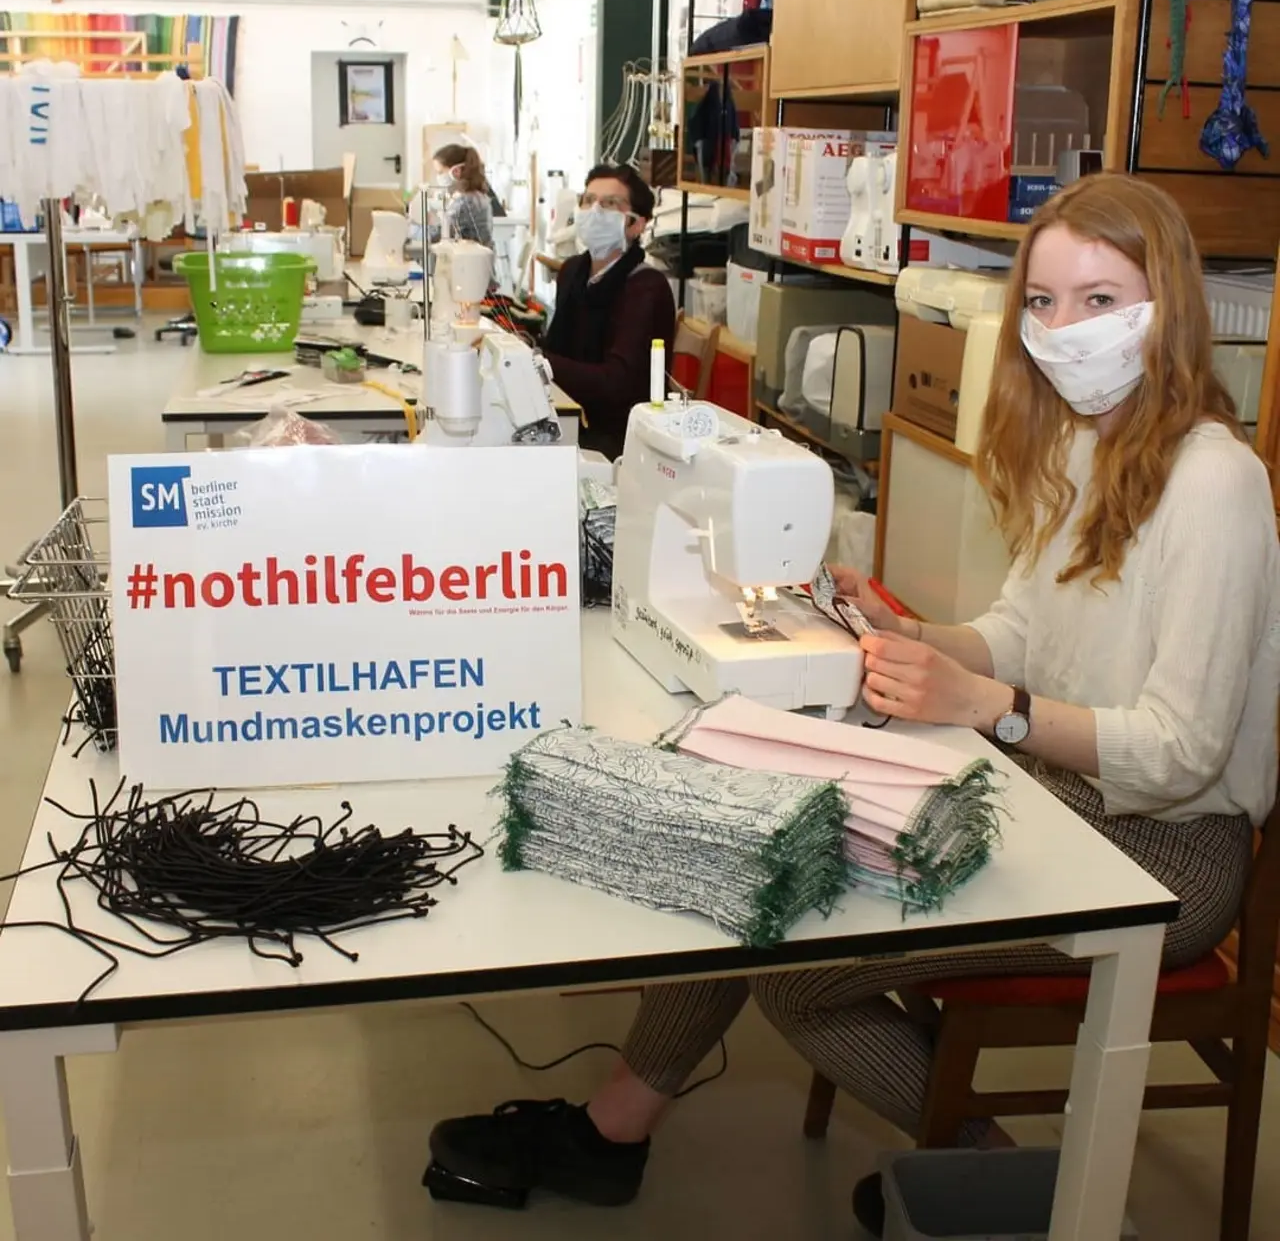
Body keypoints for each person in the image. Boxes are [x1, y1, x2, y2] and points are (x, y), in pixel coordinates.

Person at [425, 174, 1280, 1234]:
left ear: (1170, 304)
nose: (1063, 329)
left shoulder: (1213, 484)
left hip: (1163, 850)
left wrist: (991, 707)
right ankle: (620, 1123)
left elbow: (1181, 750)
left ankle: (1001, 1178)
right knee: (749, 837)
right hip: (1057, 789)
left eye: (1100, 300)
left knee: (790, 957)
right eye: (1044, 302)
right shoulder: (1078, 443)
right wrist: (914, 640)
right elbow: (1017, 633)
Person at [540, 163, 676, 459]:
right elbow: (557, 349)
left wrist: (543, 363)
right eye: (588, 201)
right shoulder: (573, 270)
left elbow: (617, 384)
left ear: (636, 224)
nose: (595, 210)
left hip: (621, 438)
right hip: (571, 415)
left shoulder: (646, 288)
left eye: (610, 203)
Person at [431, 143, 498, 249]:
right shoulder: (476, 196)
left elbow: (439, 234)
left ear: (456, 171)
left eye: (440, 172)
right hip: (477, 259)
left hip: (472, 262)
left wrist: (411, 230)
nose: (438, 177)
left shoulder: (466, 202)